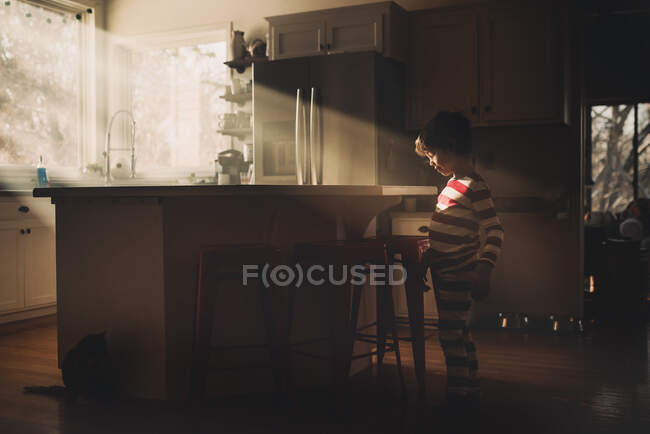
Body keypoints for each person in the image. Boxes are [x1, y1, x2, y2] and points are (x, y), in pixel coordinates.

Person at [414, 111, 504, 408]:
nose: (432, 162)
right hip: (444, 272)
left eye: (434, 154)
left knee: (450, 335)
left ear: (450, 145)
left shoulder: (474, 186)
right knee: (458, 333)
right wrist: (428, 261)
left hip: (459, 273)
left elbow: (494, 230)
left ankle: (458, 396)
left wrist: (484, 268)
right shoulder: (452, 183)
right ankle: (470, 388)